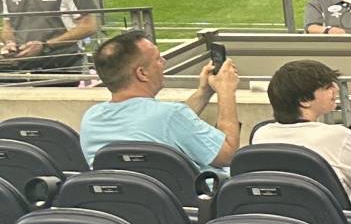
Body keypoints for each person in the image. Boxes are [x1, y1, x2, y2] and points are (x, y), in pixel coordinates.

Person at [80, 32, 242, 168]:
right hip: (192, 201)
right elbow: (227, 155)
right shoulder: (170, 116)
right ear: (142, 73)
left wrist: (204, 91)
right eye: (158, 59)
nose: (163, 63)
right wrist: (226, 91)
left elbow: (166, 126)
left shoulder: (91, 117)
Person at [251, 57, 351, 204]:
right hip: (342, 219)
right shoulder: (338, 136)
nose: (336, 89)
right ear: (305, 100)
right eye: (327, 87)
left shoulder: (261, 134)